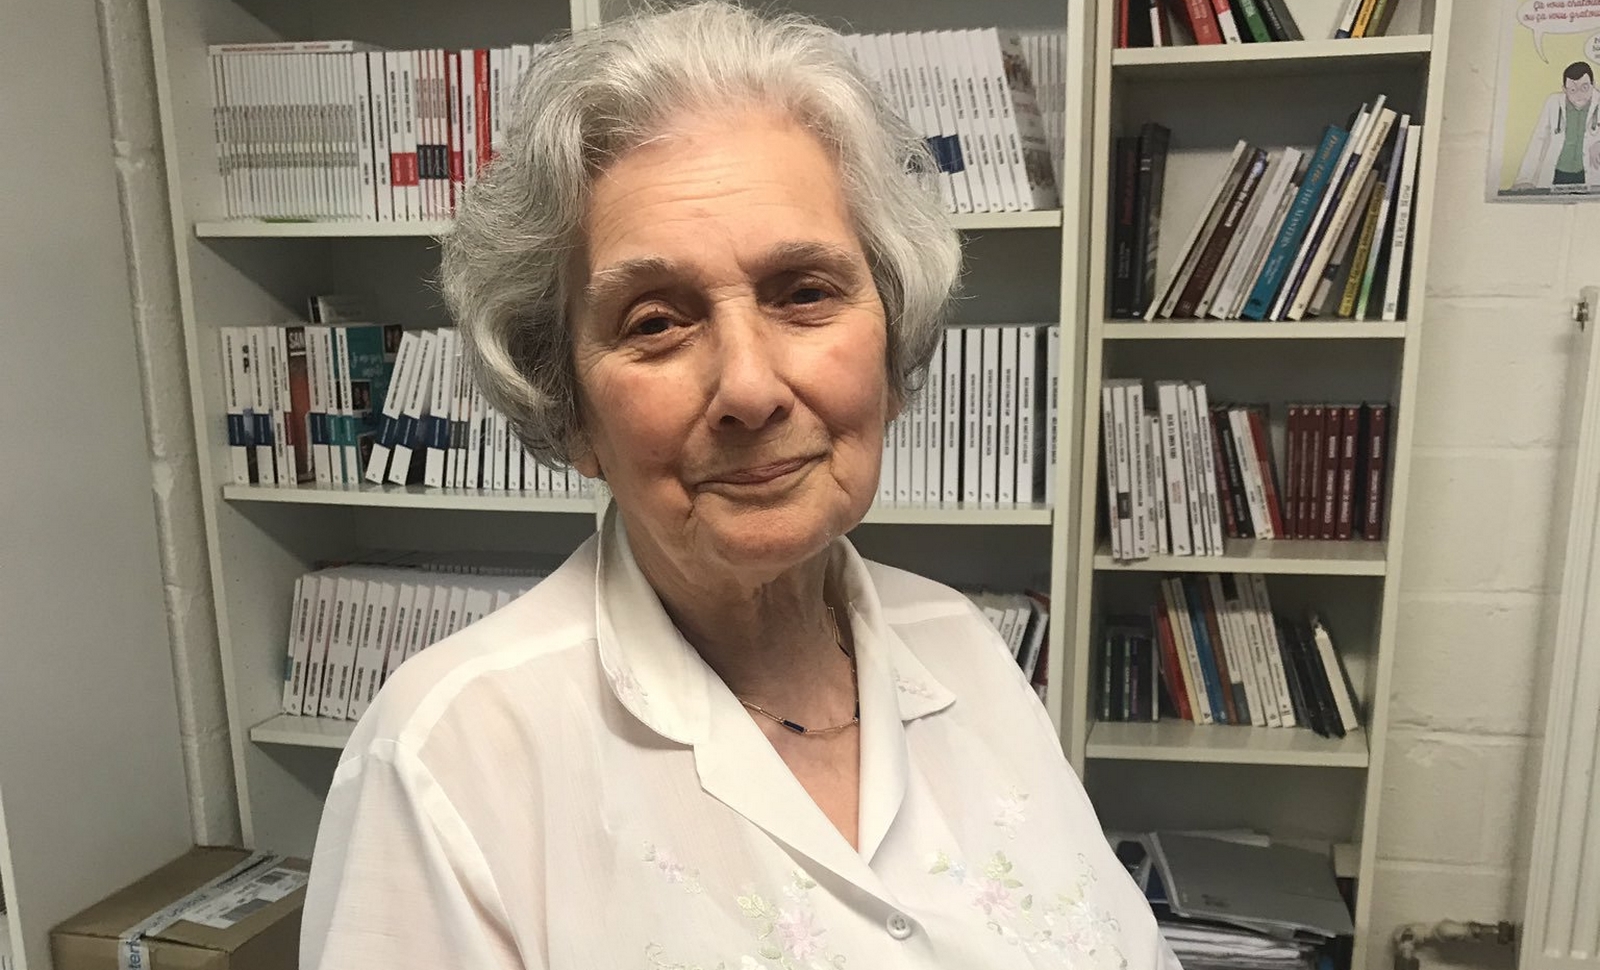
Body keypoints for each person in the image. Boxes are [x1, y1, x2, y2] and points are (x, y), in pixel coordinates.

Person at [300, 4, 1180, 967]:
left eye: (804, 292)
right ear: (569, 409)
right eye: (655, 321)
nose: (751, 389)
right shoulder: (451, 757)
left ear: (890, 351)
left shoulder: (961, 642)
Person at [1514, 60, 1600, 190]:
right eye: (1572, 90)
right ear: (1564, 89)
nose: (1579, 94)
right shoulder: (1553, 103)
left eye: (1584, 88)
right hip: (1558, 174)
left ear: (1593, 84)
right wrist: (1524, 179)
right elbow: (1538, 141)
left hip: (1591, 174)